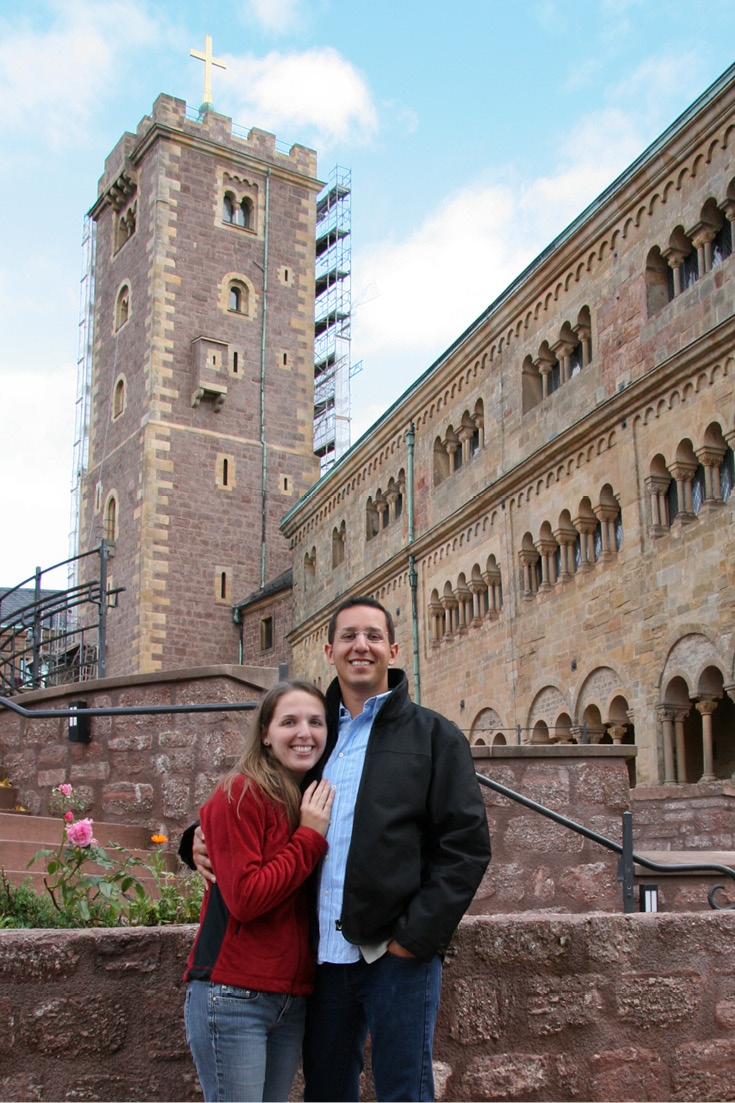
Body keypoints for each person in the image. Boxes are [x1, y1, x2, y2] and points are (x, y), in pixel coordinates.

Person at [187, 596, 491, 1102]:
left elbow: (466, 849)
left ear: (393, 649)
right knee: (327, 1095)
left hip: (395, 957)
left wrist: (413, 941)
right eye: (349, 636)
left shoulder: (435, 737)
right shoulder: (312, 732)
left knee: (404, 1093)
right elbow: (253, 796)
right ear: (329, 651)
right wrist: (191, 839)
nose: (361, 646)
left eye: (373, 635)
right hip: (320, 966)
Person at [182, 680, 335, 1103]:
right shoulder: (242, 792)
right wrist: (308, 837)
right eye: (289, 722)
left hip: (289, 997)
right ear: (265, 734)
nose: (304, 733)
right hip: (234, 995)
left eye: (315, 722)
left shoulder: (309, 795)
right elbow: (246, 899)